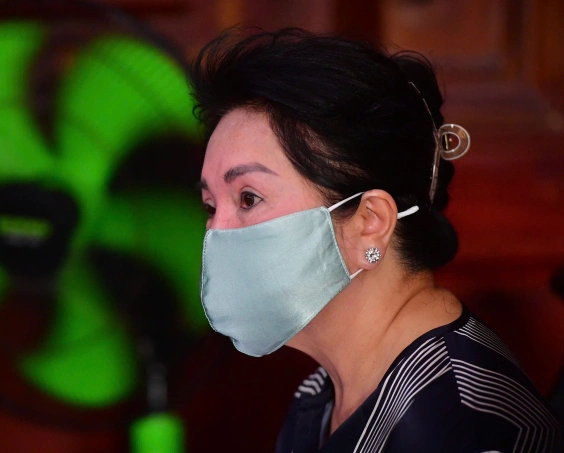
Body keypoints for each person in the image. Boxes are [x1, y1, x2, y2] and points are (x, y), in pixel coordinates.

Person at [189, 28, 563, 453]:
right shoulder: (319, 397)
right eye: (210, 206)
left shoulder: (465, 426)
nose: (216, 233)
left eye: (248, 198)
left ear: (371, 222)